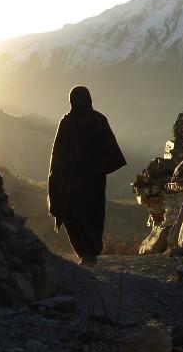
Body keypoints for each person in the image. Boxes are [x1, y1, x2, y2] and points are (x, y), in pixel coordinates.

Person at [48, 86, 127, 266]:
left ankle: (87, 253)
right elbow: (111, 153)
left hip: (76, 182)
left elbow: (58, 156)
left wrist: (58, 180)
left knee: (77, 215)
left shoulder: (68, 123)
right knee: (90, 214)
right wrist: (96, 169)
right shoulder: (97, 120)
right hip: (91, 182)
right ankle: (88, 252)